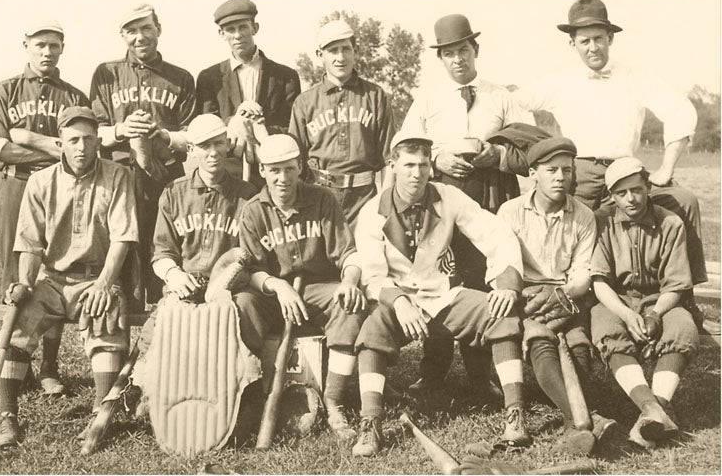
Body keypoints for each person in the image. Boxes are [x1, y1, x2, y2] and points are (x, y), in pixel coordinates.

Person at [513, 0, 707, 321]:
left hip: (625, 173)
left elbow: (679, 109)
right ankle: (577, 305)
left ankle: (683, 296)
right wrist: (544, 150)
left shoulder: (634, 77)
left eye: (599, 39)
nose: (593, 48)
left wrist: (666, 167)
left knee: (684, 201)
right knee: (574, 226)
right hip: (579, 174)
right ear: (572, 43)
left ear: (610, 38)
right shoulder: (559, 81)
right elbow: (515, 103)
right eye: (584, 41)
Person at [351, 131, 529, 457]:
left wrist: (506, 284)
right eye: (408, 165)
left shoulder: (448, 196)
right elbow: (372, 274)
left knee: (500, 313)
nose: (416, 173)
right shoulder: (373, 211)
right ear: (392, 165)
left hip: (444, 296)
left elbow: (496, 233)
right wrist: (399, 302)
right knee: (373, 329)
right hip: (399, 300)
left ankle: (515, 415)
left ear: (430, 167)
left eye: (422, 165)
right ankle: (370, 424)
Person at [399, 14, 531, 399]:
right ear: (440, 58)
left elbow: (530, 149)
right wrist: (437, 158)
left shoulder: (501, 96)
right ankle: (433, 373)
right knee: (441, 277)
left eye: (463, 50)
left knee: (482, 278)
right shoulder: (428, 97)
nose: (458, 59)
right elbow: (405, 145)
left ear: (476, 50)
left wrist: (498, 155)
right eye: (449, 53)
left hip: (491, 193)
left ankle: (480, 375)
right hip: (442, 198)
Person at [0, 107, 138, 448]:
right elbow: (29, 243)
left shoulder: (118, 175)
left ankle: (100, 414)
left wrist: (104, 283)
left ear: (98, 142)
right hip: (53, 279)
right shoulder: (41, 181)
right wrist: (26, 283)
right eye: (73, 140)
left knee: (105, 318)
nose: (81, 147)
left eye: (88, 139)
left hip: (96, 277)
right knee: (19, 322)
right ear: (61, 143)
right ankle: (7, 415)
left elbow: (122, 238)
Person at [235, 134, 367, 441]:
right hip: (273, 294)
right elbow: (250, 270)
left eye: (289, 169)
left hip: (317, 289)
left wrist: (349, 281)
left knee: (348, 302)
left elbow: (348, 252)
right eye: (274, 170)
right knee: (242, 303)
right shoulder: (253, 210)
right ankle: (251, 395)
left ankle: (334, 400)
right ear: (262, 171)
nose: (283, 178)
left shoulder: (322, 199)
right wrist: (277, 286)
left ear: (300, 168)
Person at [0, 20, 90, 395]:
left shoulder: (74, 96)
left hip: (60, 189)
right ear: (26, 44)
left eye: (54, 45)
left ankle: (49, 366)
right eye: (40, 44)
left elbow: (78, 152)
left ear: (63, 48)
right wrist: (53, 147)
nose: (47, 52)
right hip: (16, 185)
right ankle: (18, 361)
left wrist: (30, 138)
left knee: (57, 273)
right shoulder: (5, 90)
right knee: (16, 274)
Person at [496, 137, 616, 455]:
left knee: (577, 342)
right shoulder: (510, 211)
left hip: (567, 293)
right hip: (526, 293)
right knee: (541, 340)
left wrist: (562, 294)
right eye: (551, 170)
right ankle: (582, 418)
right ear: (532, 173)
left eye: (567, 170)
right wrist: (527, 296)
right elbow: (504, 264)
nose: (560, 177)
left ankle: (573, 421)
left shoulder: (583, 215)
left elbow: (582, 272)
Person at [90, 3, 196, 304]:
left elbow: (191, 134)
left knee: (165, 244)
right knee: (123, 247)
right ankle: (125, 312)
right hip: (120, 175)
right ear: (122, 35)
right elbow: (94, 129)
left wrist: (165, 136)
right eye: (132, 31)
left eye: (146, 28)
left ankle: (166, 313)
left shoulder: (180, 77)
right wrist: (121, 129)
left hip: (166, 175)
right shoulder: (106, 73)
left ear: (158, 29)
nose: (140, 37)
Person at [590, 157, 698, 450]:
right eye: (621, 193)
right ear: (612, 196)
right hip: (617, 299)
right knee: (605, 327)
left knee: (682, 328)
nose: (631, 198)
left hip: (659, 298)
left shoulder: (670, 222)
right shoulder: (601, 220)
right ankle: (652, 409)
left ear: (648, 187)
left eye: (636, 190)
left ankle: (652, 410)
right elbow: (599, 281)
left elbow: (676, 284)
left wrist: (656, 313)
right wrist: (626, 314)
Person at [289, 19, 395, 228]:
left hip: (364, 198)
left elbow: (388, 159)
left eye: (346, 49)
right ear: (320, 55)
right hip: (318, 195)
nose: (340, 57)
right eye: (333, 51)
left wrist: (384, 205)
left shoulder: (375, 96)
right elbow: (295, 160)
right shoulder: (305, 102)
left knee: (364, 248)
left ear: (355, 51)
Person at [196, 0, 301, 188]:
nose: (237, 35)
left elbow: (292, 127)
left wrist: (259, 127)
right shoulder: (209, 77)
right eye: (230, 29)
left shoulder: (285, 76)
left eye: (243, 27)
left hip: (272, 172)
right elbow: (207, 126)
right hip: (227, 173)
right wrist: (235, 121)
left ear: (255, 28)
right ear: (221, 33)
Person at [151, 113, 257, 300]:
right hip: (185, 284)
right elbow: (162, 250)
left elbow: (251, 256)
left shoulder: (247, 195)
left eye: (218, 143)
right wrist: (173, 274)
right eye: (205, 146)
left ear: (228, 144)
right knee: (171, 313)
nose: (213, 152)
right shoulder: (174, 192)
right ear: (191, 150)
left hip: (230, 286)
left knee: (239, 308)